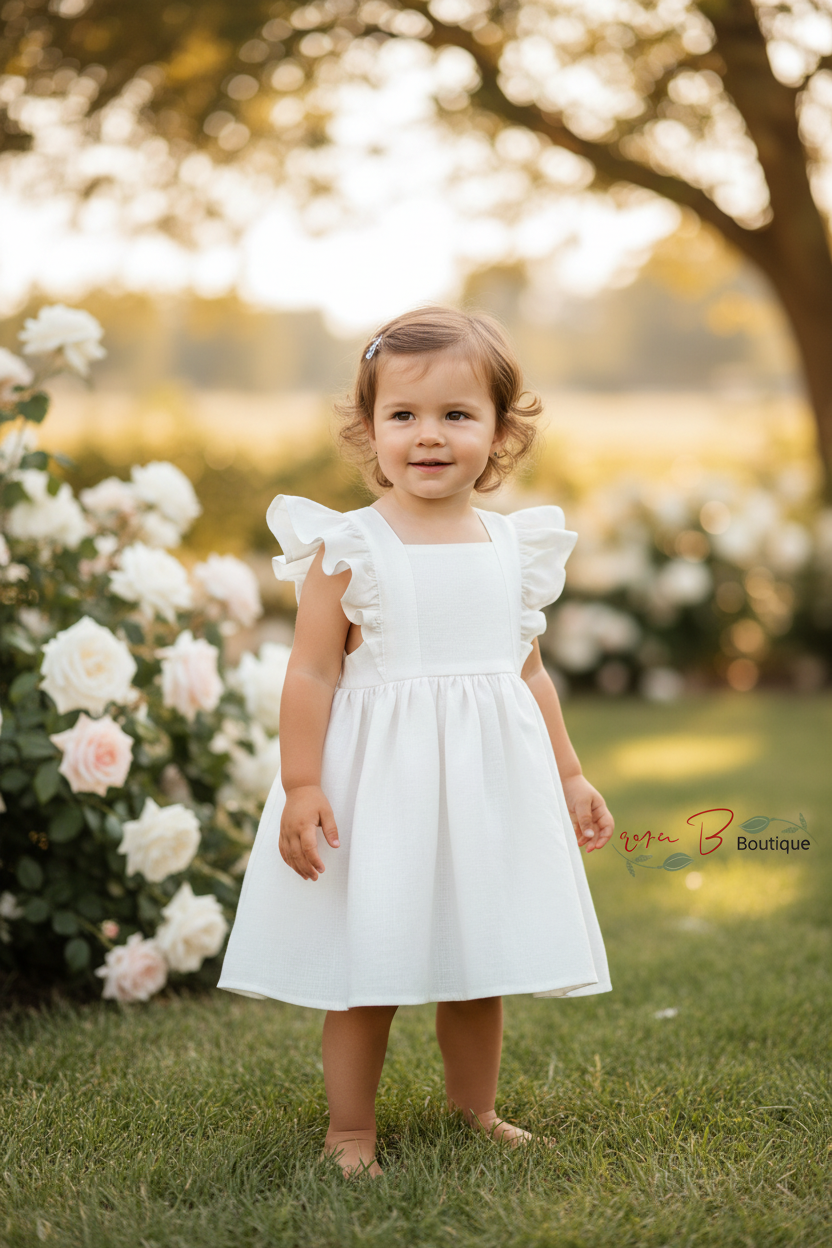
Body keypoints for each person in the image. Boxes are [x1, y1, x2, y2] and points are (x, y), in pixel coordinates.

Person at [217, 305, 615, 1179]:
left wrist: (572, 773)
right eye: (404, 415)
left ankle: (475, 1108)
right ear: (369, 429)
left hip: (483, 789)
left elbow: (528, 672)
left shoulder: (514, 547)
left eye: (456, 415)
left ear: (502, 432)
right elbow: (312, 673)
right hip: (381, 790)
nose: (428, 436)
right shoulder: (348, 547)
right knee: (375, 961)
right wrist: (302, 784)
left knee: (482, 963)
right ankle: (349, 1132)